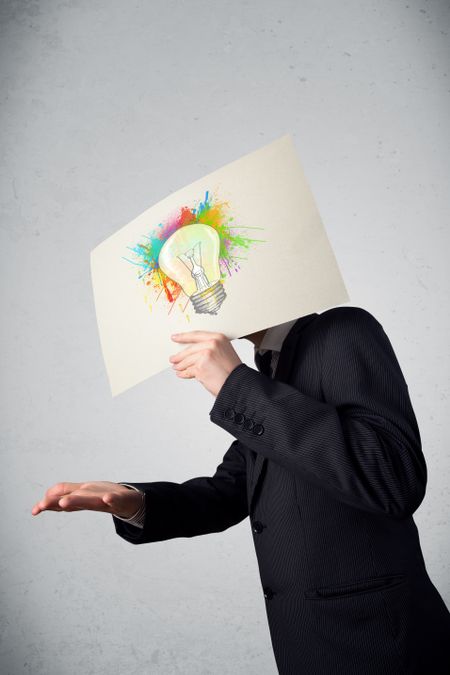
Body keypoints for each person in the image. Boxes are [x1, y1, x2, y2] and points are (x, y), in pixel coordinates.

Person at [32, 305, 450, 674]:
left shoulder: (342, 330)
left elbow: (393, 479)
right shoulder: (271, 367)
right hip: (307, 646)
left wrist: (234, 382)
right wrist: (135, 502)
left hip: (382, 646)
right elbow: (229, 490)